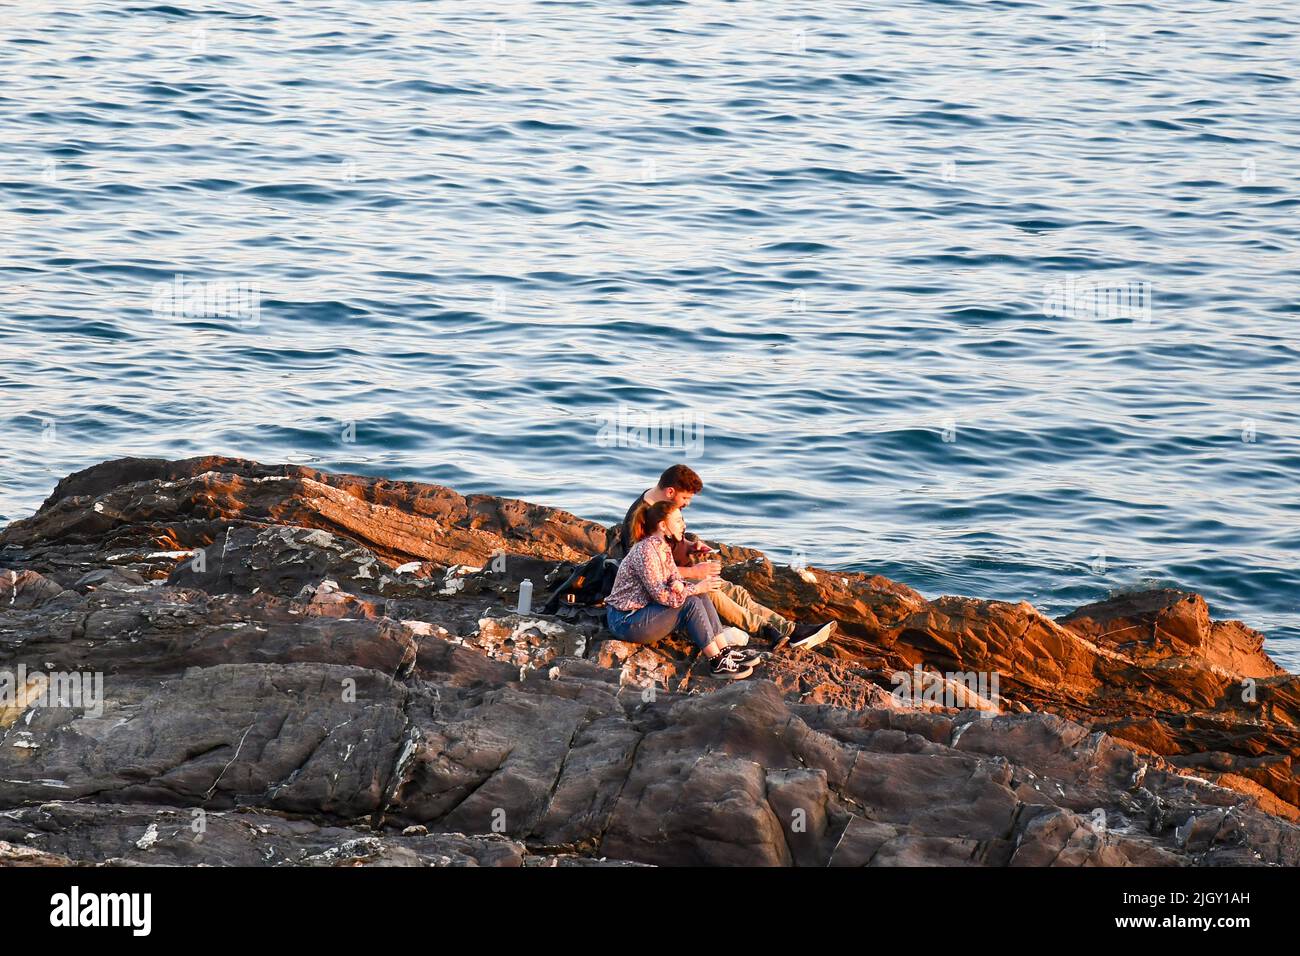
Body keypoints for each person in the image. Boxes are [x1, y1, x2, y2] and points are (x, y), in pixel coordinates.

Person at [609, 464, 835, 651]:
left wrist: (690, 547)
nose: (687, 504)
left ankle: (791, 630)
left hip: (674, 576)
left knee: (734, 591)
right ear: (670, 492)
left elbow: (670, 545)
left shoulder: (662, 506)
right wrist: (693, 573)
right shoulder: (638, 522)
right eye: (686, 498)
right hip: (656, 593)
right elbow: (649, 574)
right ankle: (766, 630)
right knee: (712, 592)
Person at [605, 500, 762, 680]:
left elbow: (673, 580)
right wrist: (693, 587)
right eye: (678, 521)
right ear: (663, 526)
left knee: (699, 594)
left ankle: (724, 651)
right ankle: (716, 662)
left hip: (642, 612)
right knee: (691, 602)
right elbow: (663, 596)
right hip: (625, 620)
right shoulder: (646, 551)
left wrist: (684, 585)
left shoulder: (661, 547)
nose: (684, 525)